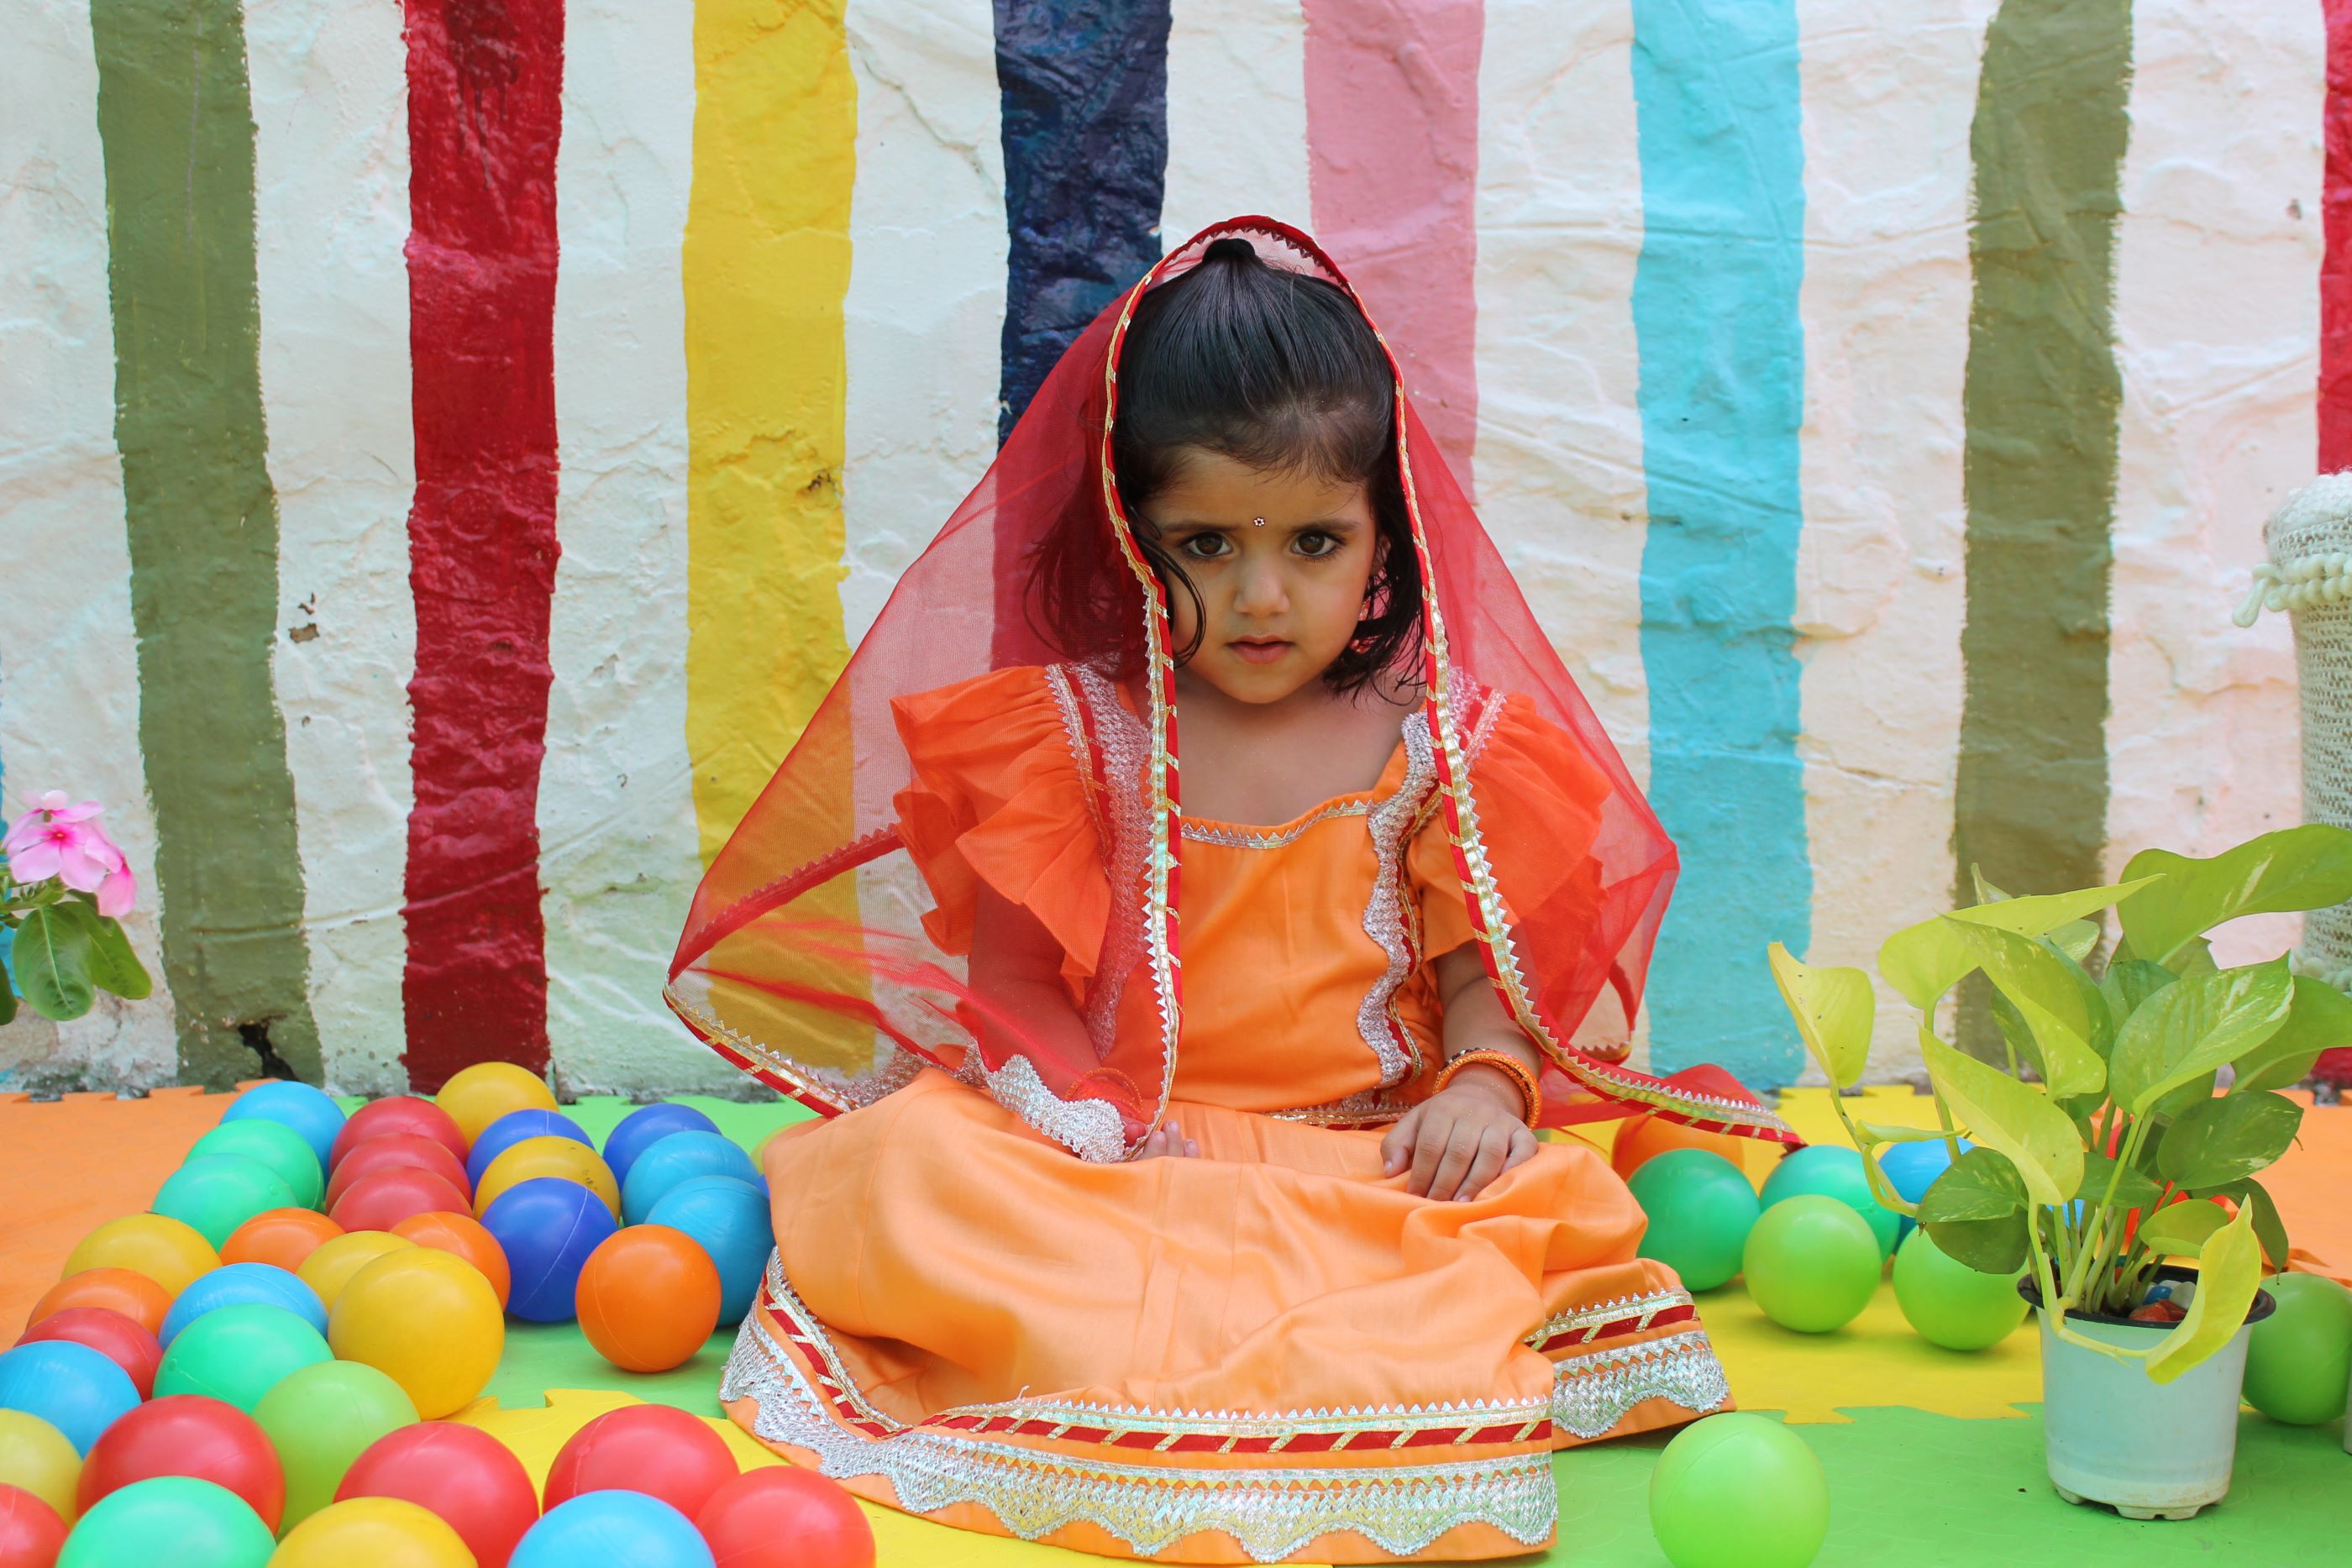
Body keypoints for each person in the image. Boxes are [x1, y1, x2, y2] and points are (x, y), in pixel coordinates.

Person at [667, 218, 1796, 1564]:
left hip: (1361, 1165)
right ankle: (1137, 1340)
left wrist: (1485, 1089)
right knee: (922, 1161)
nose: (1263, 597)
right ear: (1129, 528)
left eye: (1315, 543)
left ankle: (1294, 1357)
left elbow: (1480, 988)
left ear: (1389, 537)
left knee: (1507, 1210)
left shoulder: (1441, 745)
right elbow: (1018, 994)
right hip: (1125, 1158)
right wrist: (1076, 1114)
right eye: (1207, 545)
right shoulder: (1071, 737)